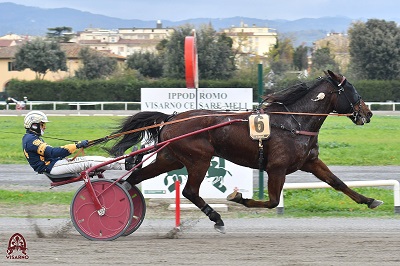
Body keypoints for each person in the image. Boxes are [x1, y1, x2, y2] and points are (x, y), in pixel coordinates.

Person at [22, 111, 136, 179]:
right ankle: (126, 164)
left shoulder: (31, 138)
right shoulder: (31, 140)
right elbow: (52, 152)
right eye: (42, 124)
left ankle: (125, 160)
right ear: (34, 125)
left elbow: (51, 154)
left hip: (54, 164)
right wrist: (76, 146)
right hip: (52, 168)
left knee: (92, 159)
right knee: (90, 162)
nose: (44, 127)